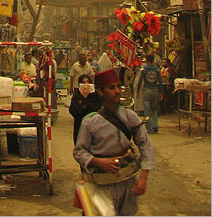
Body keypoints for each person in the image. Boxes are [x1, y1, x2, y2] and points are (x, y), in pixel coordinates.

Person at [73, 68, 155, 216]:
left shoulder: (130, 117)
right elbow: (79, 152)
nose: (117, 91)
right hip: (100, 183)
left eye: (118, 86)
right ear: (100, 92)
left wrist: (144, 176)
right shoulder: (90, 121)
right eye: (112, 87)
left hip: (126, 181)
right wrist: (98, 162)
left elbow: (145, 144)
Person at [68, 73, 102, 142]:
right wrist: (84, 97)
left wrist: (85, 102)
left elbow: (97, 108)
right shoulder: (77, 96)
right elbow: (73, 111)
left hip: (94, 127)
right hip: (80, 127)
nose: (86, 84)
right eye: (83, 82)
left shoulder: (95, 95)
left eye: (88, 82)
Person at [136, 54, 164, 132]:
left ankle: (149, 128)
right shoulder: (157, 69)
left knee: (147, 109)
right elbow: (160, 82)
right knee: (154, 108)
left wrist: (138, 91)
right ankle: (155, 126)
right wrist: (161, 92)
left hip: (146, 90)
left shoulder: (144, 69)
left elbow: (140, 80)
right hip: (155, 90)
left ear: (147, 60)